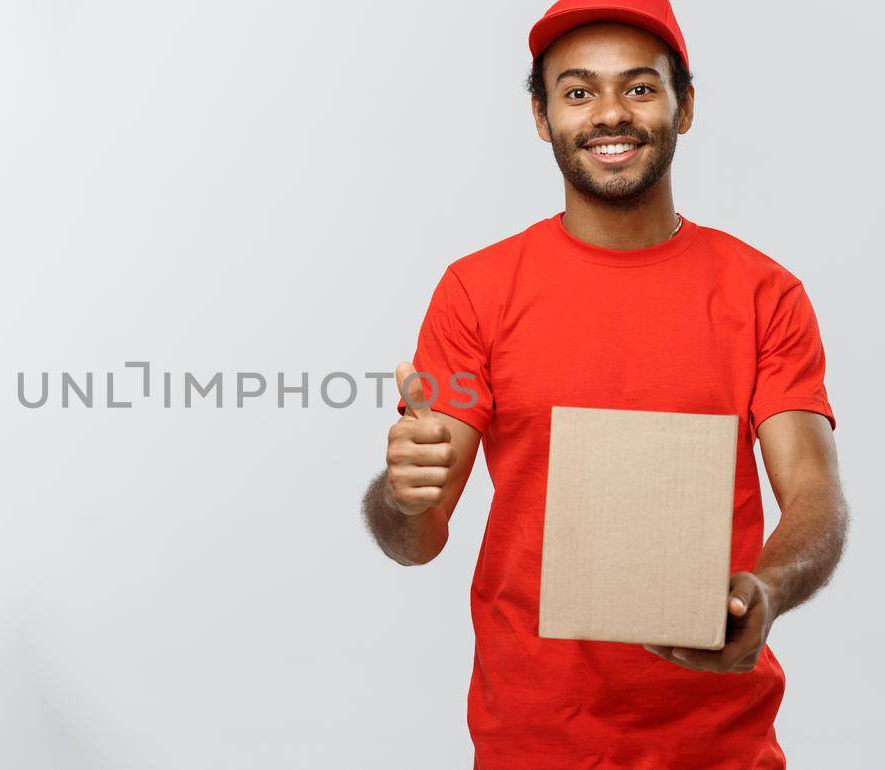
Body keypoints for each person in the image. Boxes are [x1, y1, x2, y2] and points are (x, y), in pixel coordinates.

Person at [359, 1, 850, 767]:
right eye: (579, 92)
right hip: (533, 739)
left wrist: (770, 590)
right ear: (540, 114)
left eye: (641, 88)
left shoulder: (764, 294)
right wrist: (400, 492)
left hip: (720, 741)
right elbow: (416, 541)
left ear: (685, 106)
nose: (611, 114)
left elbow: (814, 494)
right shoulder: (477, 291)